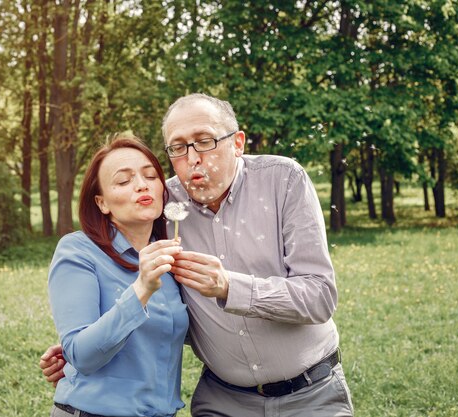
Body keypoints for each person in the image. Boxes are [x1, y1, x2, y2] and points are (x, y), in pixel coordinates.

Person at [42, 94, 354, 417]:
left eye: (204, 141)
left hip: (311, 393)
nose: (192, 158)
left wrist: (229, 287)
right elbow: (135, 307)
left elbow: (320, 296)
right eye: (178, 148)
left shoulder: (283, 180)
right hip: (223, 401)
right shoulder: (164, 206)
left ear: (238, 143)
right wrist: (78, 347)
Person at [47, 135, 188, 417]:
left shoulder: (170, 258)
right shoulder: (78, 251)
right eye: (123, 181)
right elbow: (83, 356)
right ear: (101, 203)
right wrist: (141, 290)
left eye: (150, 176)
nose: (141, 184)